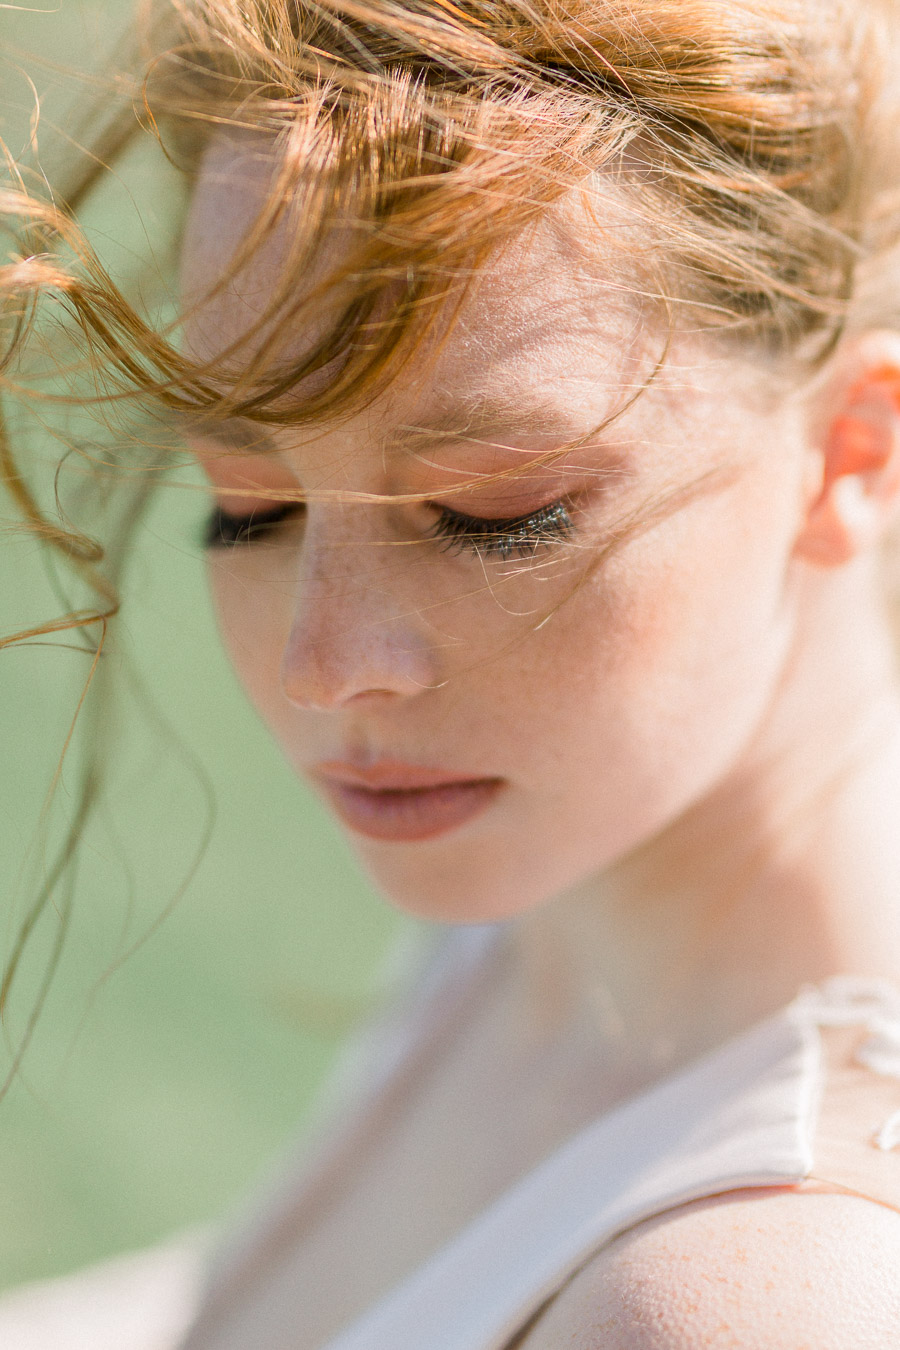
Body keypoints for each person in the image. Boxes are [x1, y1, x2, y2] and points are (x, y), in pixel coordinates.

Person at [3, 0, 900, 1344]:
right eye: (250, 501)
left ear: (851, 453)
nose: (325, 667)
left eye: (494, 511)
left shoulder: (742, 1293)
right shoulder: (549, 907)